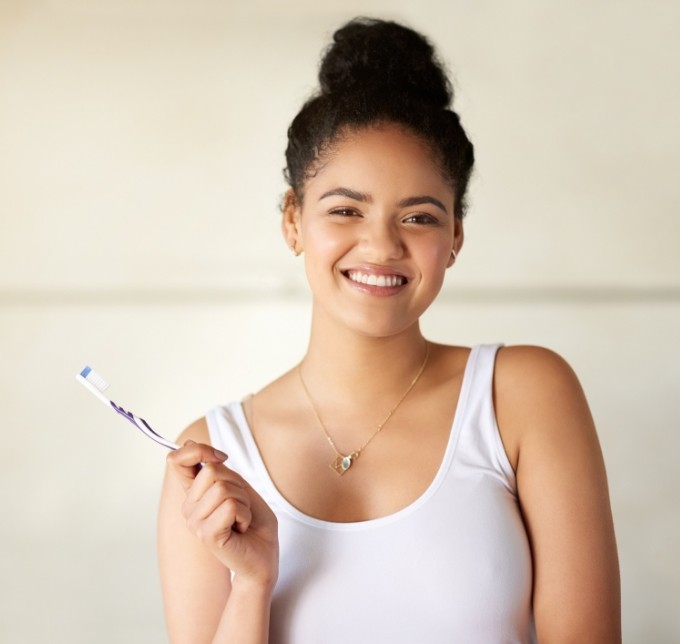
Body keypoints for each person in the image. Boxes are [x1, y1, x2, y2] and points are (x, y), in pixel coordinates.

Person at [157, 17, 621, 644]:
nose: (381, 245)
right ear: (293, 220)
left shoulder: (523, 396)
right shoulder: (213, 459)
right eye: (346, 210)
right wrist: (251, 585)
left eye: (420, 217)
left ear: (455, 235)